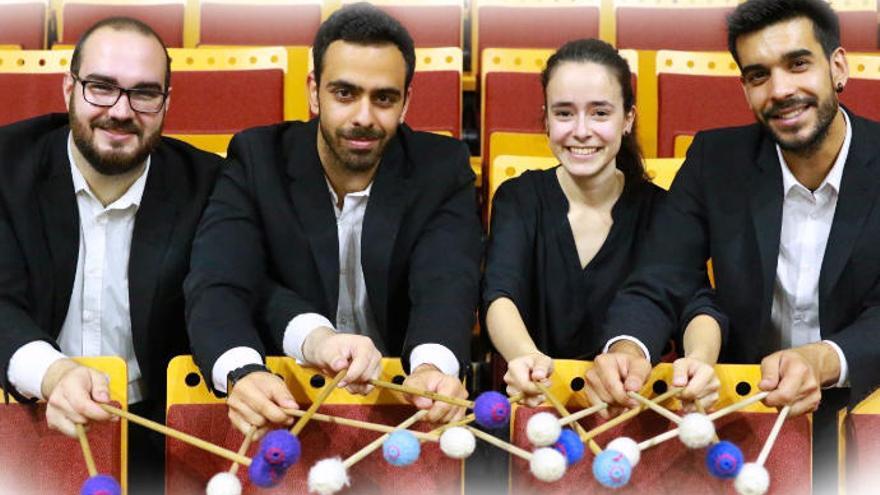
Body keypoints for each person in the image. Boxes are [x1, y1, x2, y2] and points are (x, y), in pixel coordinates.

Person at [588, 0, 880, 490]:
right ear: (745, 88)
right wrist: (627, 348)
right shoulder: (713, 160)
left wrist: (826, 358)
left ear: (838, 67)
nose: (781, 90)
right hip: (743, 416)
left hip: (863, 409)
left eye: (798, 63)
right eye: (758, 74)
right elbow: (662, 275)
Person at [185, 2, 482, 435]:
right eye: (345, 93)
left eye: (383, 98)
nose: (363, 117)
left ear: (406, 103)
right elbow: (219, 280)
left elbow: (446, 282)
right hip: (284, 405)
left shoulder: (441, 166)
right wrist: (243, 370)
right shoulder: (256, 158)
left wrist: (432, 366)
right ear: (313, 91)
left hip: (399, 407)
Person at [0, 17, 221, 493]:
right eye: (101, 87)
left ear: (166, 100)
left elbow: (229, 297)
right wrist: (54, 373)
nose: (121, 111)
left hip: (159, 432)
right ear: (68, 89)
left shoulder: (210, 185)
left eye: (144, 93)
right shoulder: (5, 167)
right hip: (26, 413)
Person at [483, 39, 724, 410]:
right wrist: (526, 358)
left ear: (627, 118)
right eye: (564, 113)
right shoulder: (519, 197)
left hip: (633, 413)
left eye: (599, 113)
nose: (581, 130)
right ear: (545, 119)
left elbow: (696, 304)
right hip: (534, 406)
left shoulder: (664, 211)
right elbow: (500, 294)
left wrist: (699, 359)